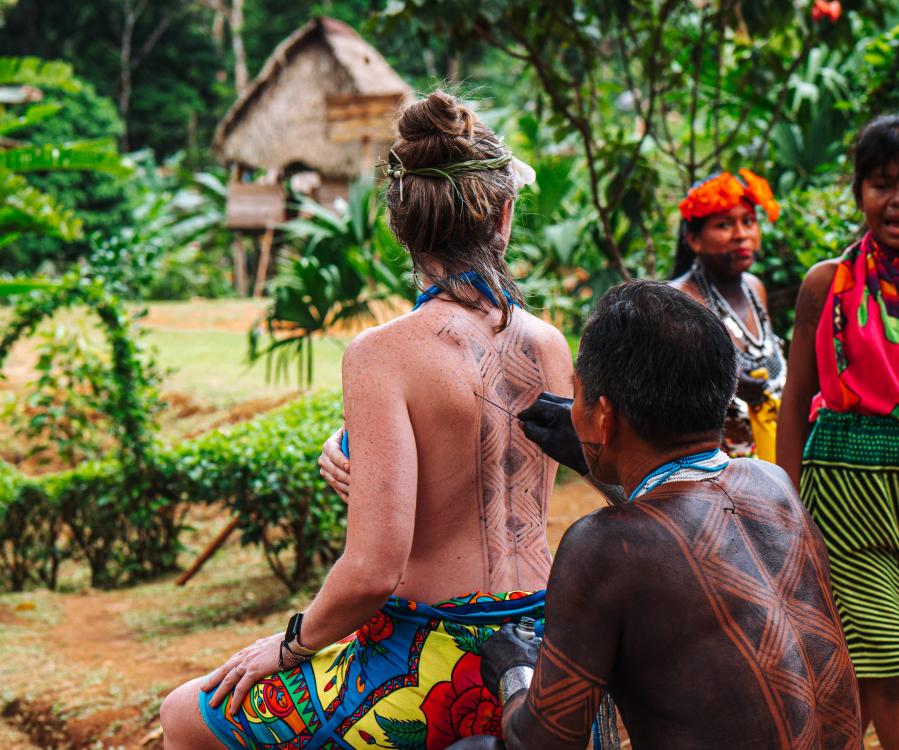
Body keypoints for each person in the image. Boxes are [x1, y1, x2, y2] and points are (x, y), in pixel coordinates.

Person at [159, 91, 573, 750]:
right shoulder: (548, 343)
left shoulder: (382, 353)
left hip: (430, 659)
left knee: (184, 713)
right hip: (544, 647)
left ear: (398, 223)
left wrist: (289, 645)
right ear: (503, 215)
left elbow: (372, 572)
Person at [471, 280, 861, 749]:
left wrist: (514, 670)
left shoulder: (599, 549)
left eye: (578, 397)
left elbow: (542, 743)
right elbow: (680, 519)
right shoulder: (772, 483)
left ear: (604, 417)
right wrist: (595, 451)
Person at [777, 114, 899, 749]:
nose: (895, 200)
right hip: (845, 500)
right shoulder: (826, 285)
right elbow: (796, 401)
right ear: (858, 192)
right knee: (885, 664)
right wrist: (787, 508)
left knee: (860, 676)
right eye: (882, 183)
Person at [670, 168, 786, 461]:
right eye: (724, 225)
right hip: (713, 468)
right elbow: (674, 395)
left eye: (748, 221)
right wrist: (729, 385)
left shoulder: (754, 288)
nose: (742, 235)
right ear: (694, 239)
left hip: (773, 456)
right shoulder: (682, 300)